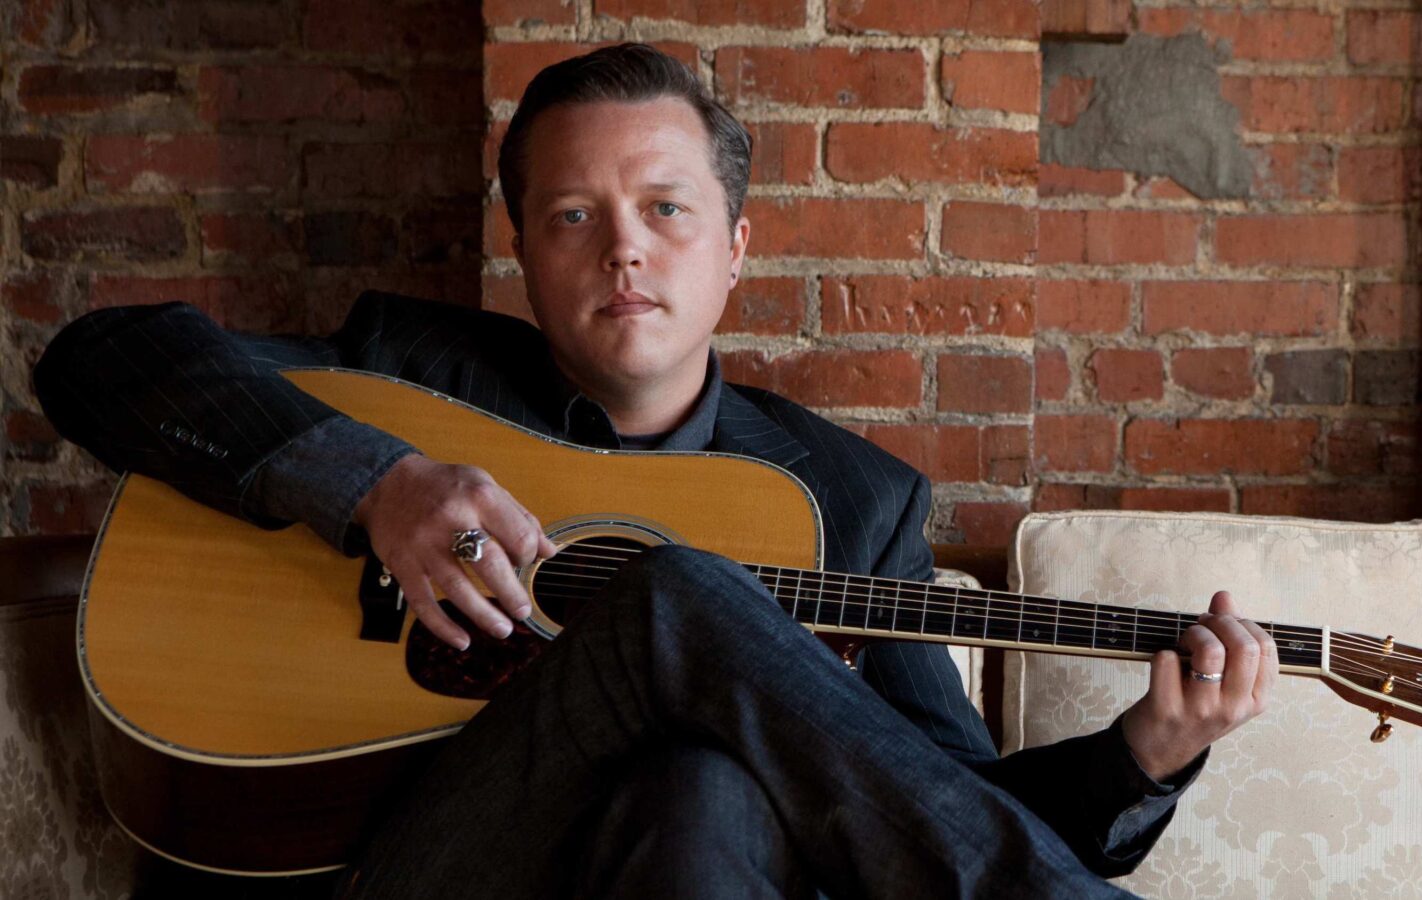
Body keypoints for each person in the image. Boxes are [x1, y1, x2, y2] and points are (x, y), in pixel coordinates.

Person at [33, 43, 1276, 899]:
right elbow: (103, 359)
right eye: (574, 215)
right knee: (671, 594)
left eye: (665, 211)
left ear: (733, 250)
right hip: (402, 867)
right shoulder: (414, 369)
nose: (623, 248)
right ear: (525, 251)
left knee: (704, 785)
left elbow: (927, 809)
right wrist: (376, 483)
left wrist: (1140, 757)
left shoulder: (852, 498)